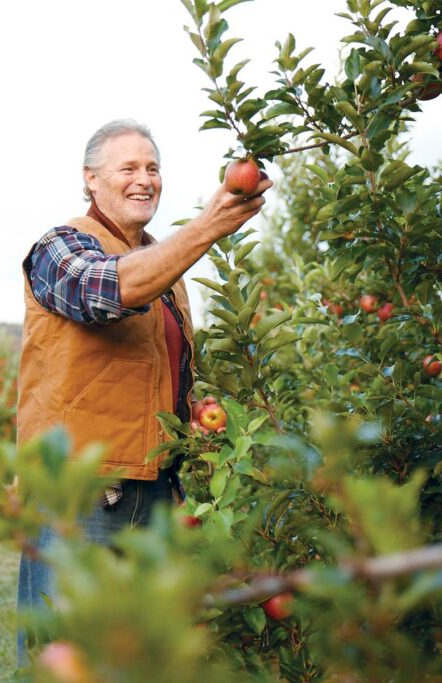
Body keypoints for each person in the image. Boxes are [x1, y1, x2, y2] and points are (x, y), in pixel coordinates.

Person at [15, 119, 272, 661]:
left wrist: (192, 412)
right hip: (80, 494)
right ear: (90, 179)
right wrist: (209, 225)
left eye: (153, 168)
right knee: (67, 658)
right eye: (127, 167)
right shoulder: (57, 248)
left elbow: (146, 367)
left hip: (152, 492)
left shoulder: (168, 268)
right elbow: (105, 291)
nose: (145, 179)